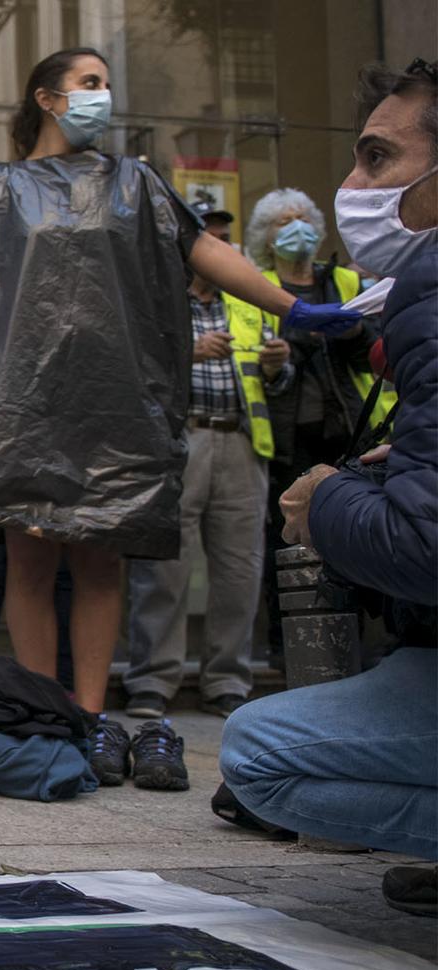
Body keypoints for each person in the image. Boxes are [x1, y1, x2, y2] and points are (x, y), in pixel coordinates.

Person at [0, 47, 362, 754]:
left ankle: (87, 719)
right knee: (28, 558)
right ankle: (45, 713)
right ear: (48, 98)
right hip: (21, 404)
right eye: (89, 84)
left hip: (111, 403)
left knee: (98, 560)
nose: (103, 98)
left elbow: (207, 253)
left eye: (106, 85)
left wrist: (288, 307)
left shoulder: (139, 184)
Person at [222, 58, 438, 916]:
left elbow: (424, 546)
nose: (352, 185)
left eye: (378, 158)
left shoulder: (420, 287)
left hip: (341, 487)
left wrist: (327, 503)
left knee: (262, 757)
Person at [123, 203, 291, 720]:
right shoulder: (156, 299)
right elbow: (131, 367)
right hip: (177, 443)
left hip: (241, 444)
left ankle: (226, 680)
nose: (221, 247)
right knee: (164, 568)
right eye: (210, 239)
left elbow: (279, 384)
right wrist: (187, 352)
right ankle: (152, 680)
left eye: (223, 238)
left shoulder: (249, 301)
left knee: (240, 568)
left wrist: (278, 367)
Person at [244, 187, 387, 669]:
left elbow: (374, 347)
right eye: (283, 221)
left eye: (302, 217)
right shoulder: (255, 284)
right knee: (283, 539)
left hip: (346, 427)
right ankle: (288, 647)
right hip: (284, 434)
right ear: (267, 236)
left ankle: (360, 643)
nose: (295, 227)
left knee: (351, 534)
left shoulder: (344, 280)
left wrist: (351, 331)